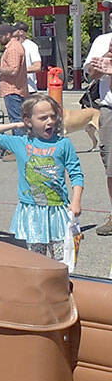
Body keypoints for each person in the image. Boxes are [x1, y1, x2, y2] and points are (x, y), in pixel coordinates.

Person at [0, 93, 84, 267]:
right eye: (43, 118)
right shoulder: (21, 143)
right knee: (36, 261)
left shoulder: (63, 144)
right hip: (32, 212)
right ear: (29, 121)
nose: (50, 121)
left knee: (61, 261)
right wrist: (17, 124)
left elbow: (76, 174)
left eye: (53, 116)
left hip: (57, 210)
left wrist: (76, 201)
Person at [81, 26, 112, 235]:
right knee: (111, 165)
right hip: (110, 109)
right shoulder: (103, 40)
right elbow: (90, 73)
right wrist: (107, 57)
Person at [0, 23, 28, 130]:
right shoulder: (15, 46)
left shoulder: (13, 48)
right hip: (16, 90)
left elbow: (14, 70)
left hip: (13, 90)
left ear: (8, 35)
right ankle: (21, 143)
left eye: (0, 37)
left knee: (16, 122)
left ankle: (20, 145)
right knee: (18, 120)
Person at [16, 23, 42, 93]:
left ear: (21, 32)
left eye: (15, 30)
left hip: (28, 89)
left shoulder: (31, 46)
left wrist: (20, 70)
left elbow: (37, 66)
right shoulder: (12, 45)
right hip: (13, 89)